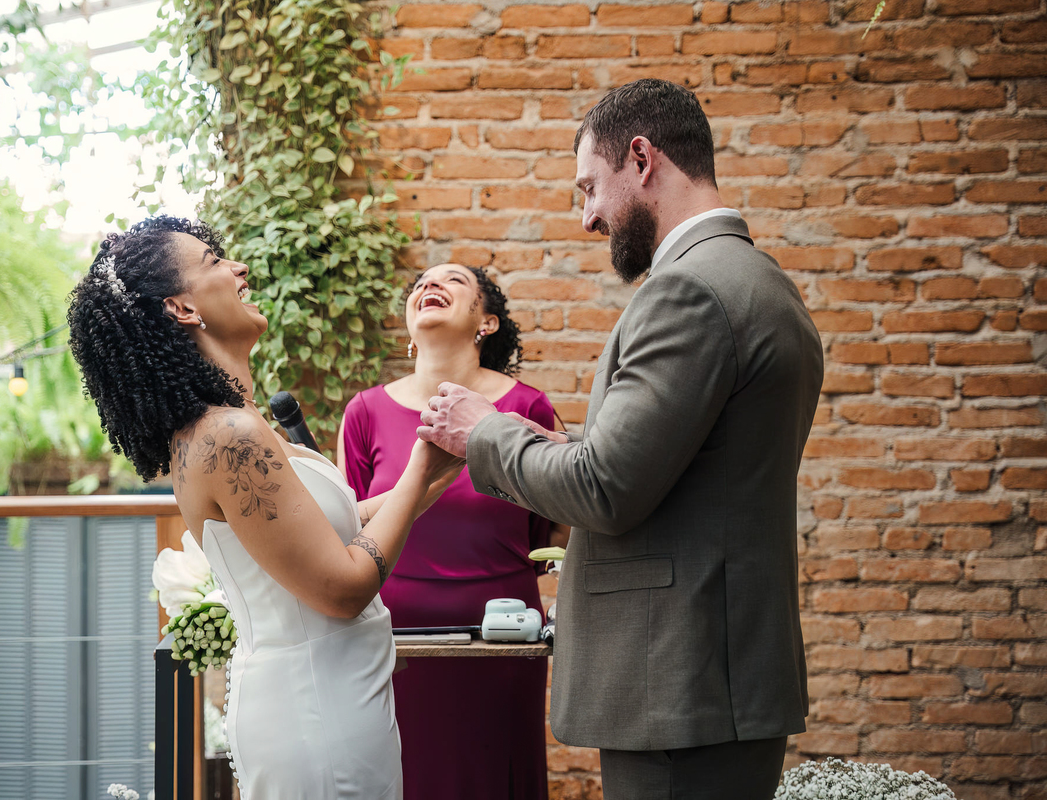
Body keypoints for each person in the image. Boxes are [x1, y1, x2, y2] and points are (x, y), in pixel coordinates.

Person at [416, 79, 824, 799]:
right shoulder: (762, 283)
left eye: (589, 188)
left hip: (679, 688)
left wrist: (487, 432)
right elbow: (676, 473)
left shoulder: (689, 292)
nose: (588, 219)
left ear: (641, 158)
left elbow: (604, 488)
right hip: (711, 684)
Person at [67, 216, 463, 799]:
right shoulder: (227, 436)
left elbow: (345, 527)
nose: (239, 268)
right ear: (182, 309)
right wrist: (421, 466)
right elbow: (344, 586)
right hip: (315, 716)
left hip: (340, 700)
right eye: (212, 261)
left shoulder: (234, 424)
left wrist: (446, 469)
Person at [337, 262, 566, 800]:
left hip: (503, 642)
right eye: (420, 284)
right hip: (391, 645)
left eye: (453, 281)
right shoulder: (364, 412)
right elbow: (346, 528)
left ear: (485, 322)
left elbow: (547, 533)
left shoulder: (526, 407)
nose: (429, 287)